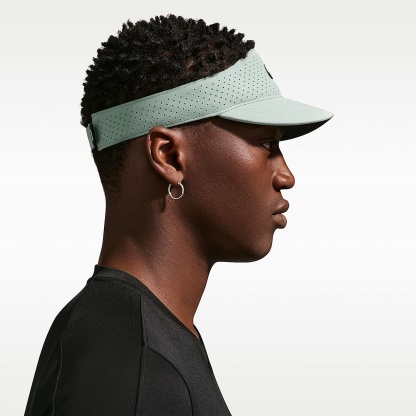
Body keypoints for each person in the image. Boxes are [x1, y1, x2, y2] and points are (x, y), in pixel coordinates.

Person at [24, 14, 333, 416]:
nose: (286, 176)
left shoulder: (136, 337)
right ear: (168, 156)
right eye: (266, 145)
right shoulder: (133, 368)